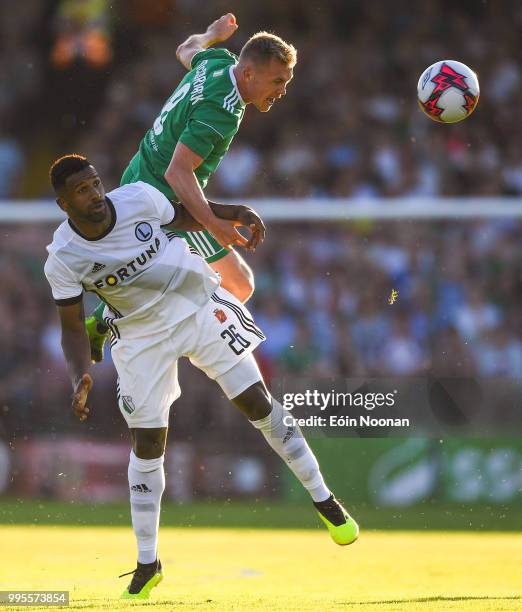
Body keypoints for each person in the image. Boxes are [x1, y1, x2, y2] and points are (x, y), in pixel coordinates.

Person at [44, 155, 358, 599]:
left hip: (196, 305)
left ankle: (325, 500)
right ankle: (147, 562)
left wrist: (232, 212)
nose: (94, 195)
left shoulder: (138, 199)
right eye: (81, 191)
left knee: (256, 403)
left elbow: (189, 215)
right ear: (63, 203)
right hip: (139, 338)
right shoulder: (64, 257)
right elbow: (71, 326)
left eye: (95, 184)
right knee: (148, 444)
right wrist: (79, 376)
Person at [86, 13, 297, 361]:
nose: (282, 91)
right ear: (248, 73)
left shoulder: (218, 60)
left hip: (137, 177)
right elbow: (178, 173)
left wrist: (211, 34)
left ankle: (108, 320)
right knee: (239, 284)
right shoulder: (222, 110)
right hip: (164, 199)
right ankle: (159, 338)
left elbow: (187, 48)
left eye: (286, 81)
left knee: (189, 277)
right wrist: (214, 224)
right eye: (277, 80)